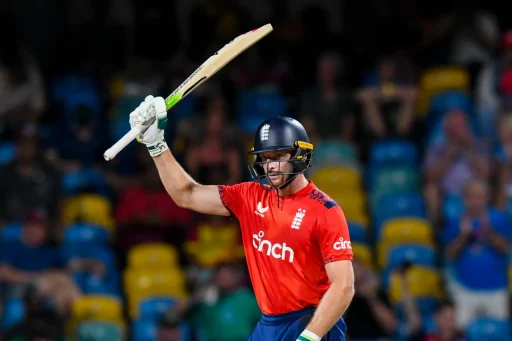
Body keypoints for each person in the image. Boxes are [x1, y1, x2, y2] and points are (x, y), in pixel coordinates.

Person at [127, 96, 355, 341]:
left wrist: (310, 337)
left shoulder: (325, 211)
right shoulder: (250, 196)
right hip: (270, 323)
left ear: (300, 155)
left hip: (312, 321)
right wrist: (156, 144)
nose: (271, 166)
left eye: (278, 156)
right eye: (265, 158)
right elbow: (187, 195)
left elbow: (343, 286)